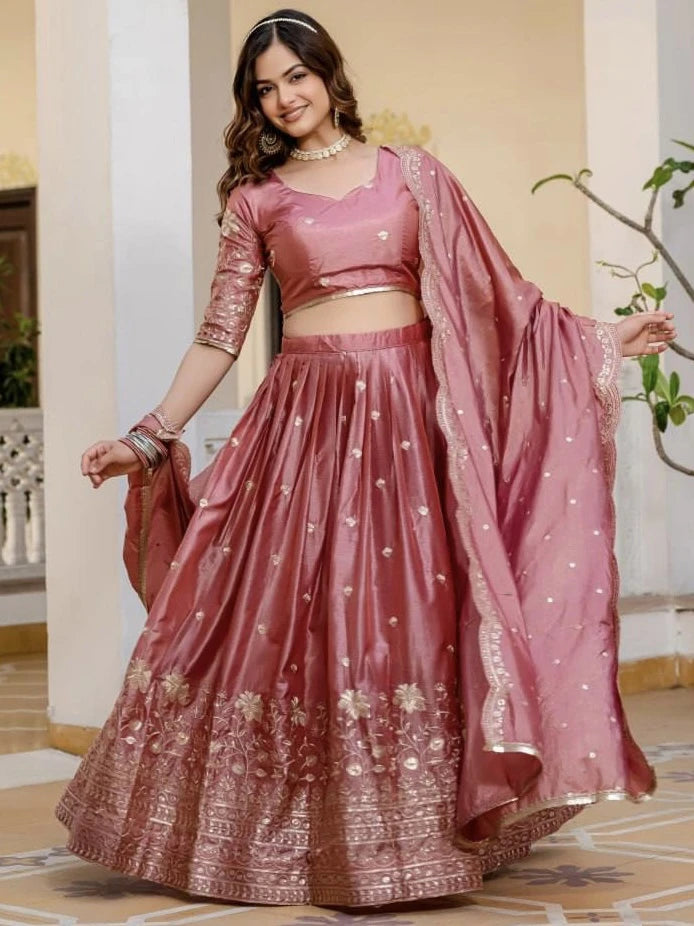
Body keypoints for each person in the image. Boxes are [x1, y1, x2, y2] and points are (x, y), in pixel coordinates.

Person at [56, 8, 676, 908]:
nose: (283, 97)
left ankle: (418, 836)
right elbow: (219, 337)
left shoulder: (413, 176)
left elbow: (500, 298)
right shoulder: (256, 199)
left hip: (408, 424)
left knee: (409, 613)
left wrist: (603, 338)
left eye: (294, 77)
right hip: (301, 427)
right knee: (274, 618)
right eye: (264, 88)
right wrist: (147, 435)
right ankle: (273, 837)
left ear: (327, 73)